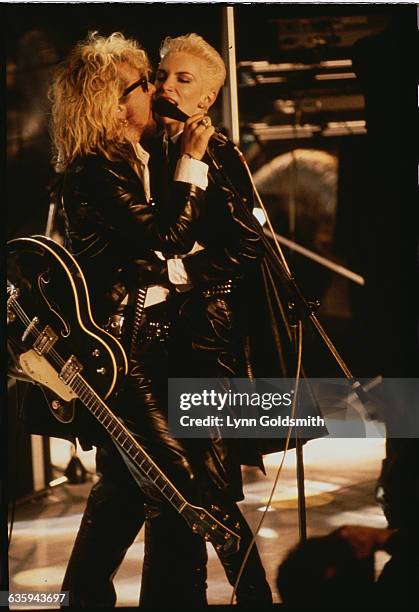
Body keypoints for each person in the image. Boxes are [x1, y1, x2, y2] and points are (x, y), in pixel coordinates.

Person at [48, 31, 218, 608]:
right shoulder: (96, 169)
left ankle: (79, 598)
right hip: (125, 352)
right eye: (146, 83)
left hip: (153, 343)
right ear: (116, 101)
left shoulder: (134, 160)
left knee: (124, 490)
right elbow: (168, 238)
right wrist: (192, 163)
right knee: (180, 490)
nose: (157, 91)